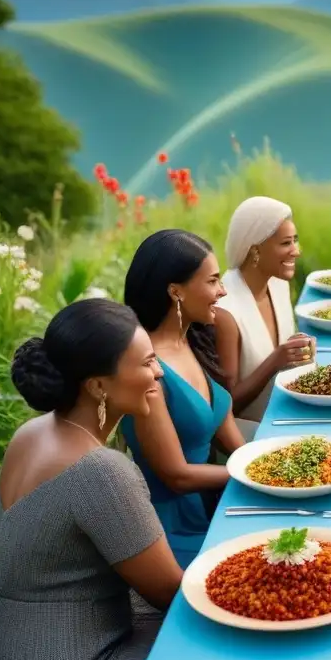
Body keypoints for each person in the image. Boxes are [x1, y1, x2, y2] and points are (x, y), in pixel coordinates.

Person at [0, 300, 182, 660]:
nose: (160, 374)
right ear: (98, 385)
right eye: (148, 362)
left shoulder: (30, 433)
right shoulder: (99, 472)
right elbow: (168, 591)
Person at [122, 229, 246, 569]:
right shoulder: (147, 370)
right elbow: (176, 475)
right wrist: (253, 471)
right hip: (173, 530)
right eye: (212, 281)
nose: (222, 291)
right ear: (175, 291)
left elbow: (232, 439)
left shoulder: (195, 339)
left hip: (215, 504)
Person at [214, 196, 315, 439]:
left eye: (296, 241)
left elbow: (283, 354)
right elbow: (227, 407)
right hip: (248, 435)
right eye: (286, 243)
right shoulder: (225, 312)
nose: (297, 252)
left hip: (286, 413)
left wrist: (297, 350)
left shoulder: (278, 285)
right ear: (255, 249)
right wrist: (276, 360)